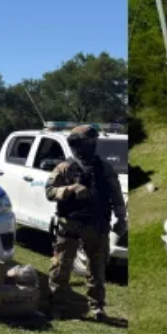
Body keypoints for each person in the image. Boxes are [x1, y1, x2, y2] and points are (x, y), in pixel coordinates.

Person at [45, 126, 128, 320]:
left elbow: (116, 196)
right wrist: (71, 189)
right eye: (84, 143)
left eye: (91, 142)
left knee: (97, 269)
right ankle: (58, 306)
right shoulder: (65, 168)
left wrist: (121, 219)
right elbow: (49, 192)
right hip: (70, 224)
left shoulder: (105, 169)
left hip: (97, 224)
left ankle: (97, 307)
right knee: (61, 267)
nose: (88, 147)